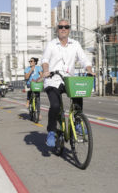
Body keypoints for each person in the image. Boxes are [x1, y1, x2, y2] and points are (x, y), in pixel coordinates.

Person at [41, 19, 95, 147]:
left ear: (69, 29)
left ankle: (77, 123)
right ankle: (51, 131)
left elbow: (84, 59)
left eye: (66, 27)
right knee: (55, 105)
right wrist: (46, 70)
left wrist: (89, 70)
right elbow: (45, 60)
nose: (63, 29)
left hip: (68, 80)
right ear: (57, 29)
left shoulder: (75, 44)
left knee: (78, 95)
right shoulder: (51, 44)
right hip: (53, 80)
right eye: (61, 27)